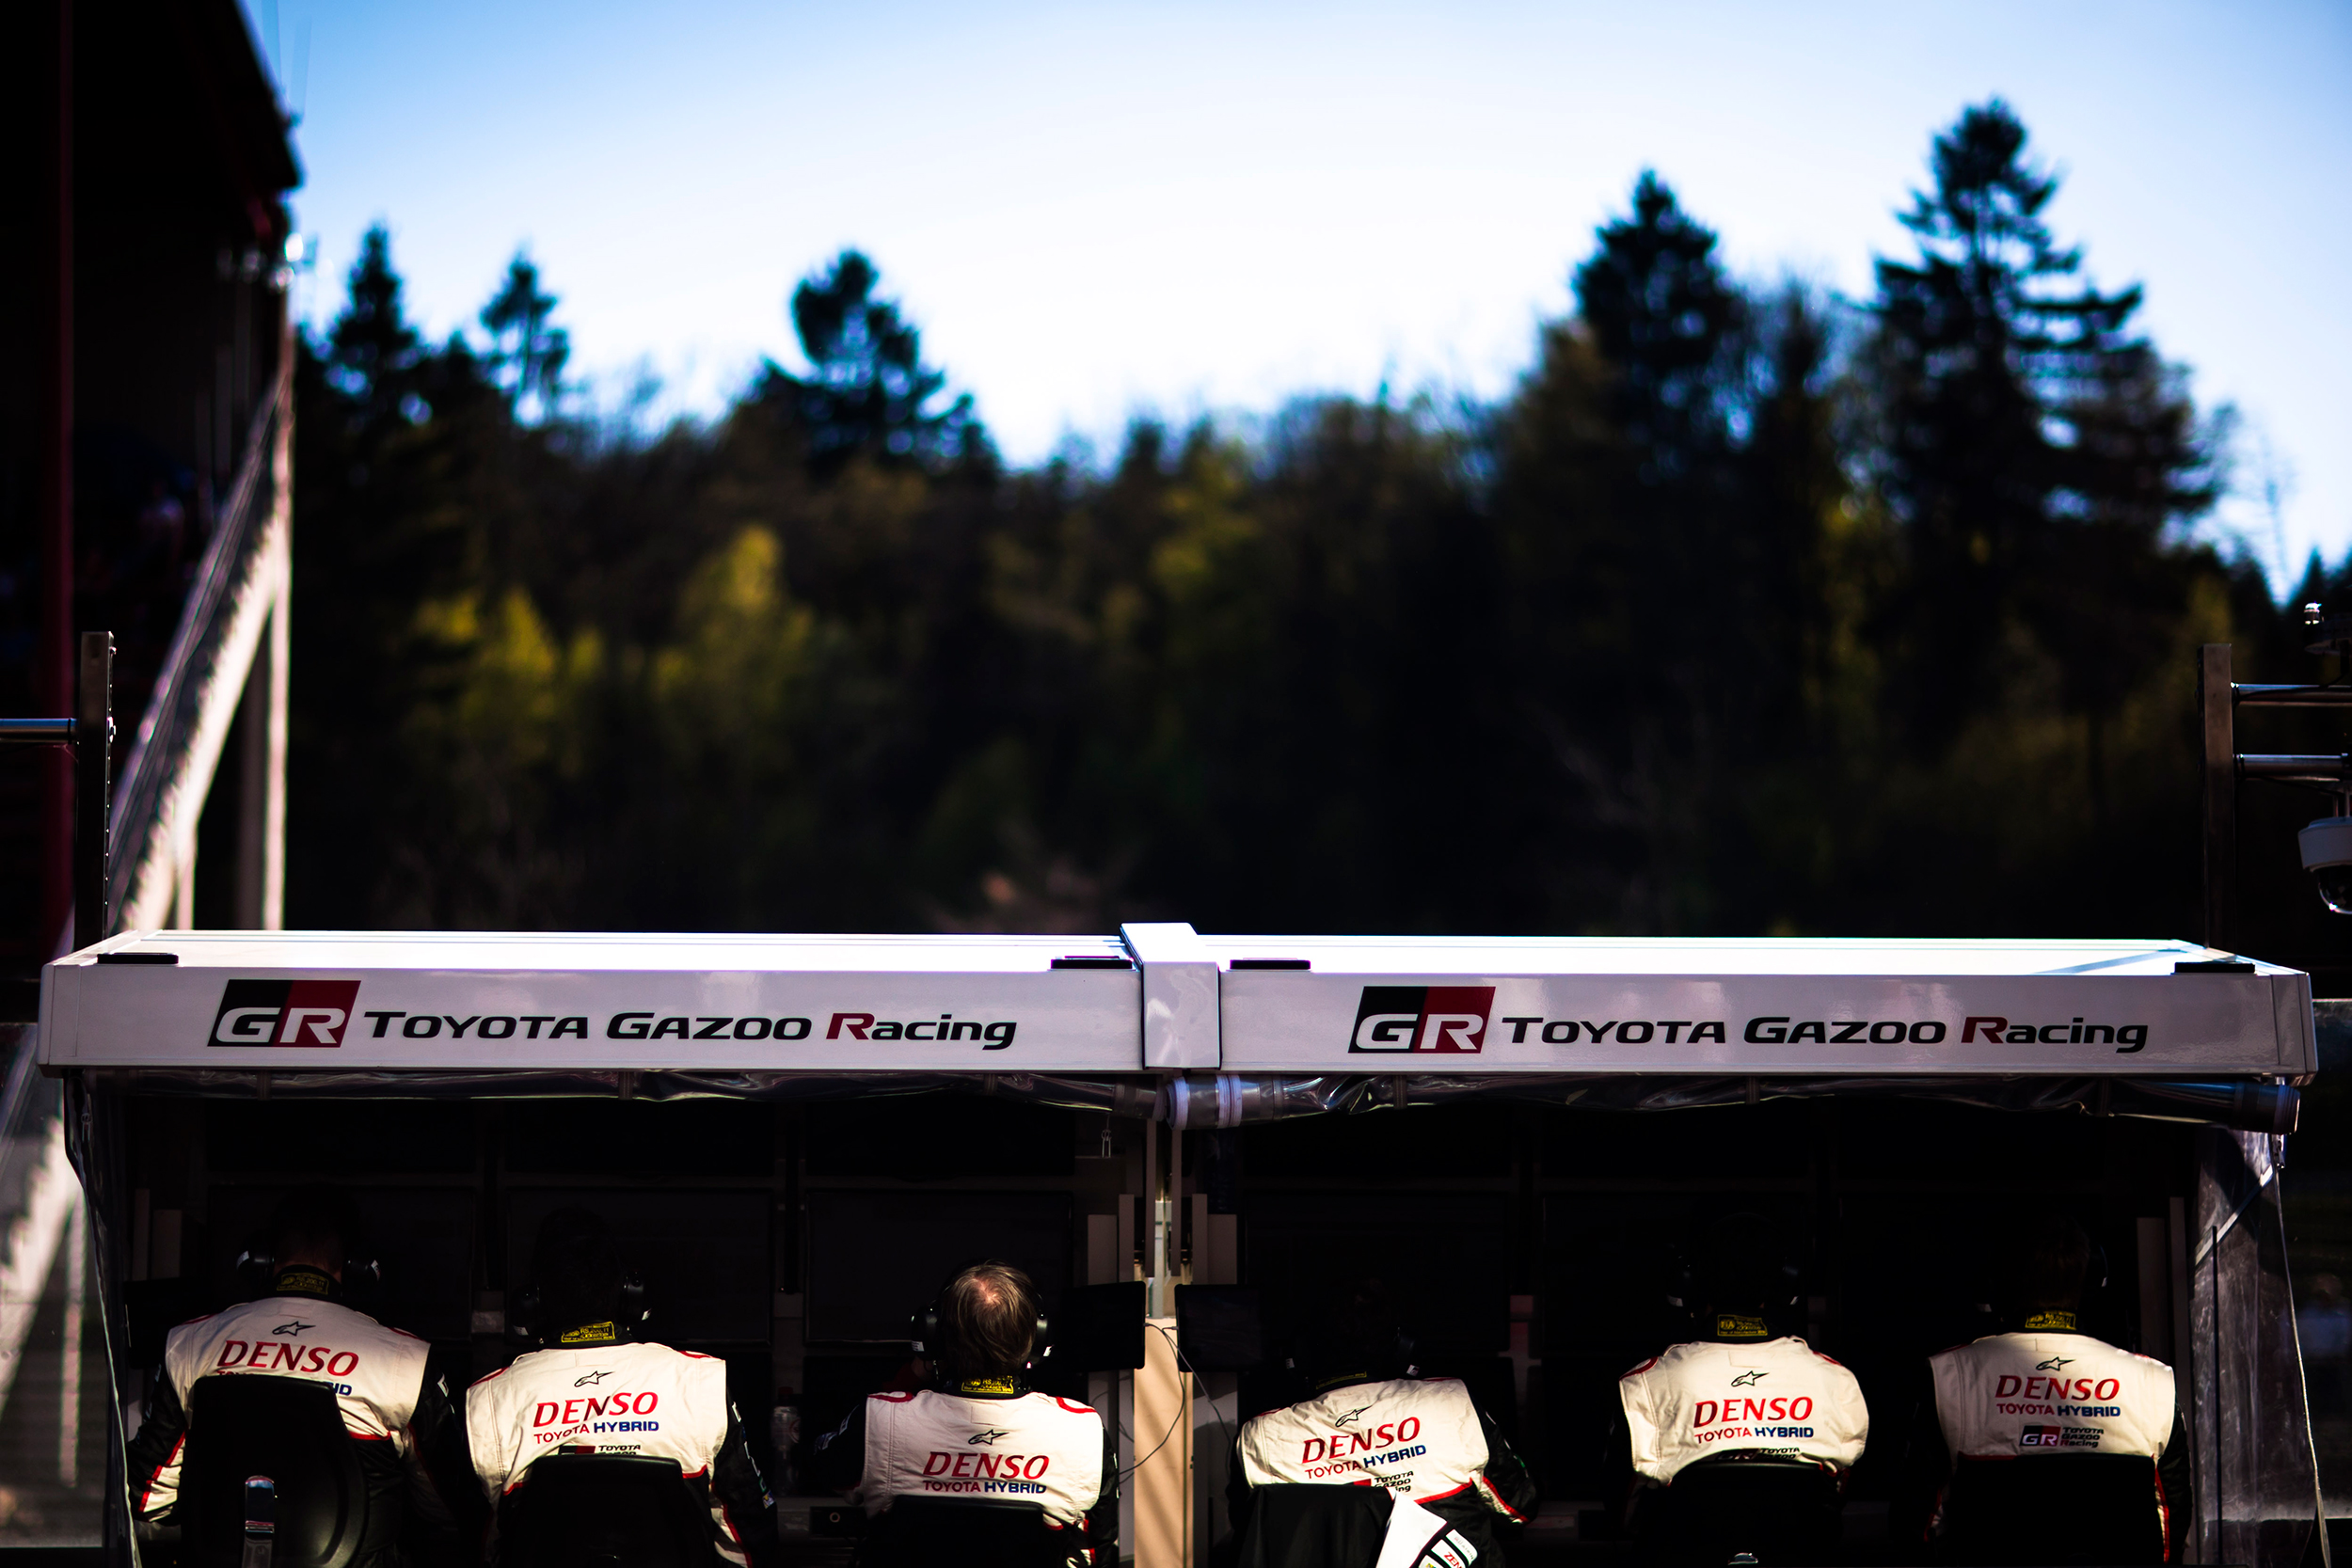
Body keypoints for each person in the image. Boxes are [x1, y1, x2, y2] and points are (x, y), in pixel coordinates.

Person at [125, 1185, 475, 1567]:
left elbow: (149, 1499)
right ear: (358, 1266)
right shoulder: (406, 1360)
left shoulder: (190, 1343)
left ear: (261, 1258)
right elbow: (446, 1506)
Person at [465, 1209, 777, 1567]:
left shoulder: (488, 1401)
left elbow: (479, 1545)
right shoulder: (700, 1382)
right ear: (632, 1296)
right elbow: (751, 1533)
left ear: (531, 1306)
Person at [1897, 1211, 2187, 1564]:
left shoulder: (1950, 1376)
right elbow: (2170, 1525)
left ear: (1997, 1283)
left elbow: (1916, 1527)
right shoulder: (2153, 1381)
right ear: (2093, 1281)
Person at [810, 1260, 1117, 1566]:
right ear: (1037, 1340)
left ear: (932, 1338)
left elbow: (822, 1470)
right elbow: (1101, 1547)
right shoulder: (1082, 1430)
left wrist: (914, 1374)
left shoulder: (879, 1419)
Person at [1611, 1216, 1869, 1556]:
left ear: (1687, 1284)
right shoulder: (1837, 1381)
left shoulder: (1644, 1384)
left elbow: (1624, 1515)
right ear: (1786, 1286)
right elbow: (1833, 1504)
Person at [1231, 1279, 1537, 1564]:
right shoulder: (1452, 1403)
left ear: (1299, 1356)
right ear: (1404, 1348)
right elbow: (1519, 1509)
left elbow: (1251, 1538)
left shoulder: (1260, 1436)